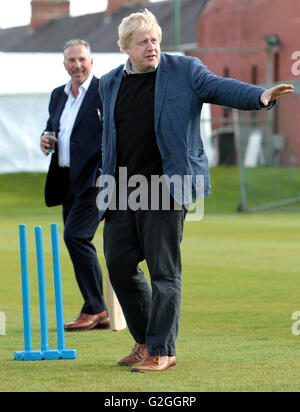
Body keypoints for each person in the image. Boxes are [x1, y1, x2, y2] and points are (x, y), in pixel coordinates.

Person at [98, 9, 293, 372]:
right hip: (123, 189)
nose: (152, 47)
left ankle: (163, 351)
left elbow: (220, 87)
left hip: (167, 187)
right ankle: (144, 341)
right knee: (119, 266)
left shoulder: (184, 71)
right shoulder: (109, 83)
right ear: (126, 47)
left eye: (155, 40)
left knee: (164, 271)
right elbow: (109, 134)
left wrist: (261, 96)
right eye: (143, 42)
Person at [41, 39, 110, 331]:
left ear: (91, 62)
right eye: (71, 60)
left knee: (76, 237)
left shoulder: (103, 92)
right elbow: (52, 125)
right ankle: (98, 310)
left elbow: (114, 132)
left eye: (82, 59)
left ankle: (95, 308)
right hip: (66, 180)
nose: (77, 65)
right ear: (64, 64)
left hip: (95, 180)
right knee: (76, 240)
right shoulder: (58, 95)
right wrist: (47, 137)